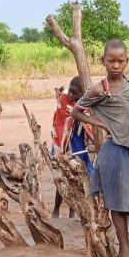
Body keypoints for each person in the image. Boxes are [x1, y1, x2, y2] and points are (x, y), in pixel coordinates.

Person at [71, 39, 129, 257]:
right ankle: (125, 253)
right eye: (111, 61)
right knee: (118, 203)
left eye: (121, 61)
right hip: (115, 152)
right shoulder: (99, 89)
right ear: (102, 62)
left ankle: (128, 250)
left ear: (127, 61)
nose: (116, 65)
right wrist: (102, 124)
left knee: (128, 203)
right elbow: (76, 111)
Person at [51, 76, 94, 218]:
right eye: (71, 91)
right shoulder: (64, 99)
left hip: (78, 138)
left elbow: (90, 122)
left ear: (83, 92)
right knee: (63, 175)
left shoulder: (90, 99)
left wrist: (91, 141)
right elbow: (63, 121)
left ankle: (74, 211)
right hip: (63, 140)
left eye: (75, 93)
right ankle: (56, 209)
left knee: (82, 174)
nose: (71, 94)